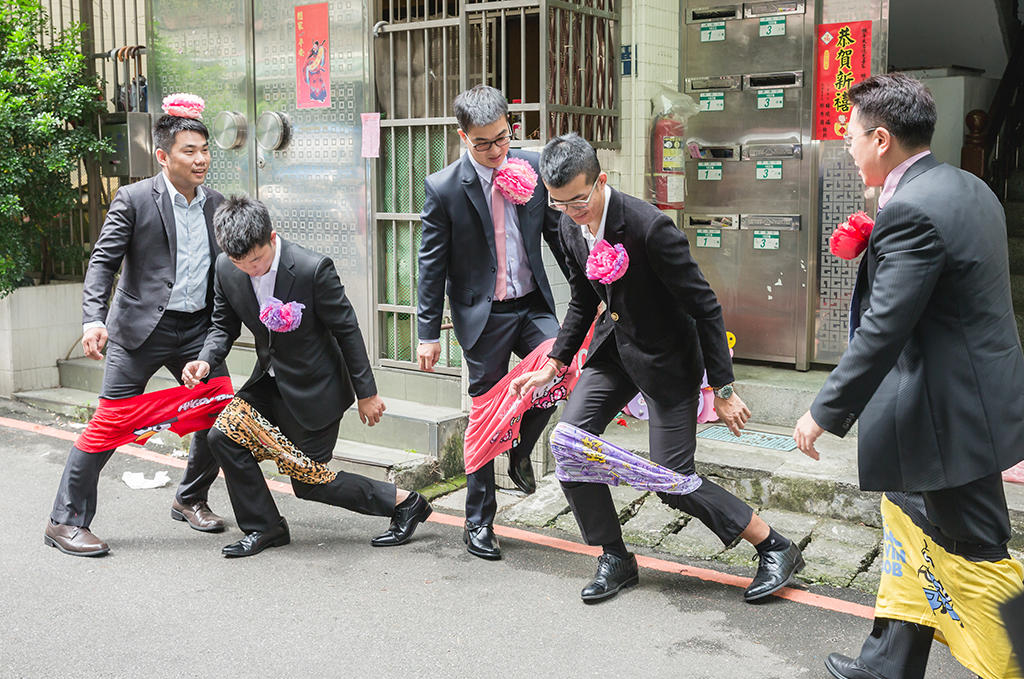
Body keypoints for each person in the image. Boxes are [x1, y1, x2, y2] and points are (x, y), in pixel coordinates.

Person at [793, 74, 1024, 679]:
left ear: (881, 138)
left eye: (850, 135)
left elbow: (883, 328)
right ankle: (889, 664)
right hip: (967, 402)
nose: (846, 145)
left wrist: (825, 410)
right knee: (915, 525)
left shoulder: (912, 210)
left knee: (978, 549)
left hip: (949, 418)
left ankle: (1010, 667)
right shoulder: (968, 186)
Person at [512, 133, 804, 603]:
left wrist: (723, 389)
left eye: (579, 201)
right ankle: (615, 555)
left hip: (667, 360)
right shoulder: (568, 224)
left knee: (672, 480)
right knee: (570, 446)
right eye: (559, 202)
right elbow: (585, 298)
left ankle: (775, 546)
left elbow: (705, 306)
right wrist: (557, 362)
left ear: (601, 180)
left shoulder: (650, 228)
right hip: (614, 353)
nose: (570, 211)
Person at [182, 196, 431, 557]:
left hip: (318, 388)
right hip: (267, 381)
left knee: (309, 482)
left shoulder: (313, 268)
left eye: (257, 260)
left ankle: (405, 502)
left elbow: (347, 330)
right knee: (222, 437)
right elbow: (222, 325)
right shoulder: (225, 268)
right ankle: (265, 527)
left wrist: (368, 393)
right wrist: (205, 360)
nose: (251, 270)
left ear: (272, 236)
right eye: (241, 263)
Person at [44, 99, 229, 556]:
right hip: (139, 331)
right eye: (189, 151)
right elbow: (103, 263)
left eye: (204, 149)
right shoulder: (133, 199)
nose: (200, 159)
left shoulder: (218, 205)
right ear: (164, 156)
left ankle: (190, 498)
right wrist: (93, 319)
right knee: (109, 426)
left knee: (218, 417)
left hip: (198, 332)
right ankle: (64, 521)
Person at [416, 84, 570, 560]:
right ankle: (478, 521)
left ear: (510, 125)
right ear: (463, 137)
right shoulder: (444, 187)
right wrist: (426, 333)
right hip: (482, 315)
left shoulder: (531, 167)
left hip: (532, 305)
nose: (496, 151)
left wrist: (594, 294)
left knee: (563, 371)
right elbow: (431, 264)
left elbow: (559, 237)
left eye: (502, 138)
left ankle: (521, 447)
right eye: (482, 143)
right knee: (483, 417)